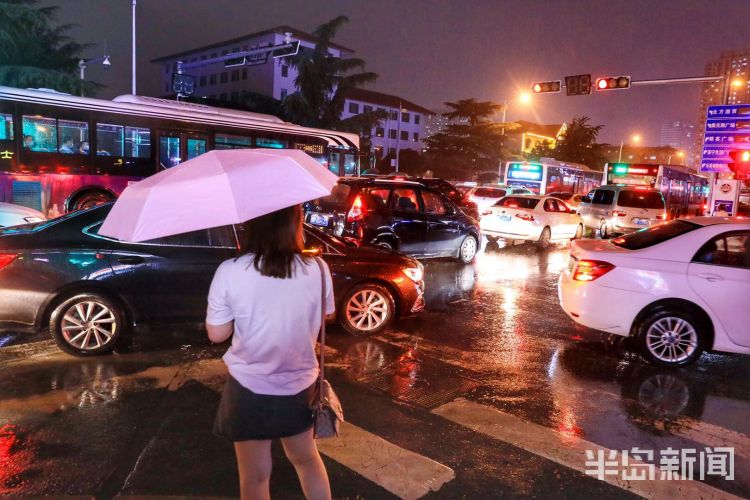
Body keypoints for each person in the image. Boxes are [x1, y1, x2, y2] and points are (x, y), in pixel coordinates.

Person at [206, 204, 334, 500]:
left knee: (254, 477)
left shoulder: (231, 270)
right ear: (294, 223)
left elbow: (217, 334)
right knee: (307, 460)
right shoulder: (318, 268)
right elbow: (326, 316)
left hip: (248, 388)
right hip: (301, 385)